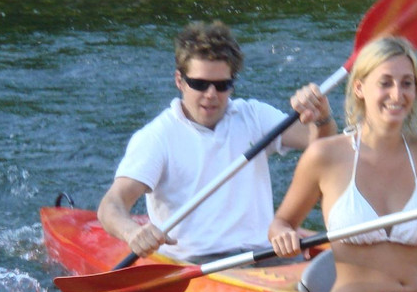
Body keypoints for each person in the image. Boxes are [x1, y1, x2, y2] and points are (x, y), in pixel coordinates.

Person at [267, 36, 417, 292]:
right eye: (385, 83)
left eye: (407, 84)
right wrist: (283, 237)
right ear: (359, 88)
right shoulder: (325, 155)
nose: (397, 94)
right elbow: (281, 223)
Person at [98, 20, 337, 262]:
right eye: (200, 84)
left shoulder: (253, 116)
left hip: (265, 253)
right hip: (200, 264)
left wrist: (322, 117)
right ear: (179, 81)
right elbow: (111, 205)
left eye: (222, 85)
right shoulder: (157, 137)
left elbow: (326, 149)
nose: (211, 94)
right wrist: (132, 233)